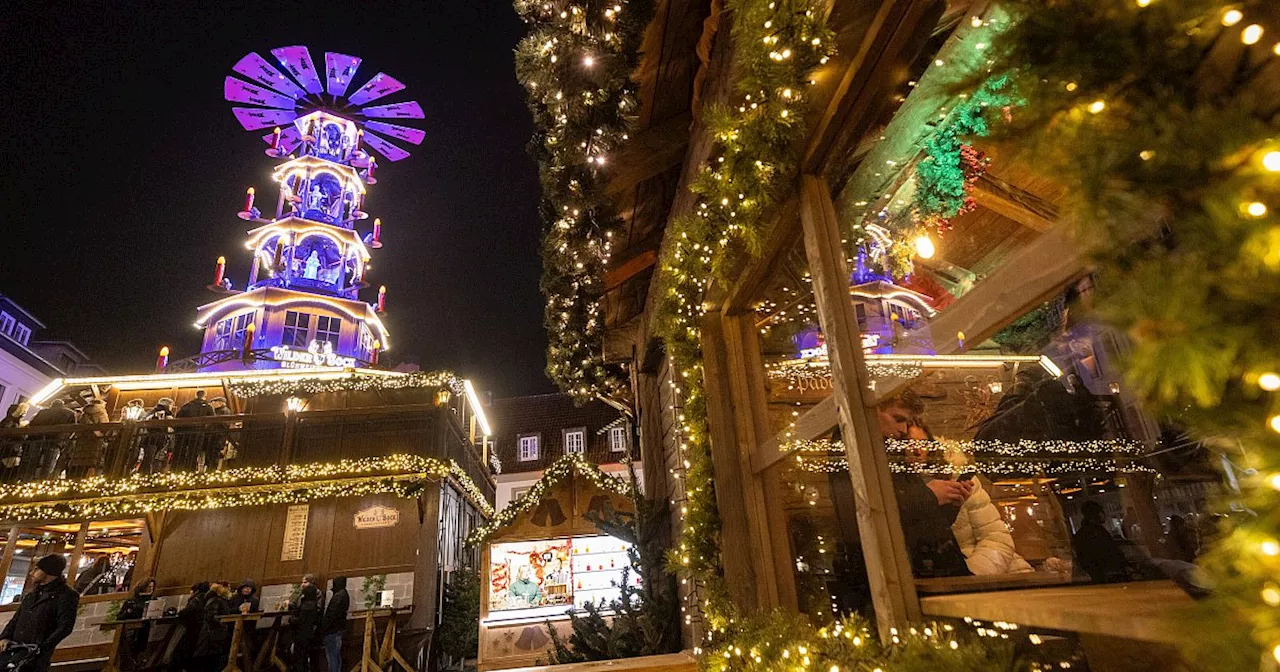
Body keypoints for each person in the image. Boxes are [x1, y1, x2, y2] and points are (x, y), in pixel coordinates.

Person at [877, 393, 971, 577]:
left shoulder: (943, 476)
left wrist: (953, 504)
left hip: (947, 571)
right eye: (909, 443)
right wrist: (929, 495)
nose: (917, 450)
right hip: (926, 573)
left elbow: (993, 535)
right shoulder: (888, 464)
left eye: (923, 443)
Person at [0, 554, 80, 672]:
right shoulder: (32, 594)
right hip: (13, 649)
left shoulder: (66, 595)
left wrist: (42, 647)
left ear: (49, 571)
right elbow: (16, 619)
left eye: (37, 569)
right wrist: (4, 637)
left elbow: (65, 626)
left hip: (34, 657)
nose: (32, 573)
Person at [1073, 501, 1129, 582]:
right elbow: (1107, 552)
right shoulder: (1096, 532)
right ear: (1096, 514)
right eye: (1102, 512)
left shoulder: (1085, 532)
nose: (1104, 515)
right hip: (1107, 575)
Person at [27, 400, 77, 479]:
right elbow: (72, 429)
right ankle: (43, 481)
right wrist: (65, 439)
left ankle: (27, 480)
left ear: (51, 404)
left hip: (38, 439)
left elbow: (33, 424)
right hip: (56, 441)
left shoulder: (43, 412)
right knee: (48, 464)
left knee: (32, 462)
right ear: (62, 405)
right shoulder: (69, 413)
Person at [171, 582, 209, 672]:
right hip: (201, 628)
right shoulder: (207, 599)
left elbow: (187, 611)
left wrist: (180, 613)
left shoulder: (195, 599)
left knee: (184, 648)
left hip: (191, 627)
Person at [194, 581, 232, 672]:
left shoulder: (218, 600)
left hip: (214, 634)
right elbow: (211, 617)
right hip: (212, 635)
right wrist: (223, 626)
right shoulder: (216, 600)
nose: (229, 590)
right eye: (228, 587)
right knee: (211, 659)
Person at [67, 399, 109, 478]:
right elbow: (105, 426)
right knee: (93, 466)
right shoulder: (101, 412)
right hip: (94, 442)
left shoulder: (84, 413)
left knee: (79, 468)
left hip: (81, 441)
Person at [117, 578, 156, 664]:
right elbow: (120, 616)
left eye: (152, 587)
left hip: (144, 629)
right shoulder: (132, 601)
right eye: (149, 587)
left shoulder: (152, 600)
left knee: (141, 647)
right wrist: (128, 612)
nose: (151, 589)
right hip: (131, 630)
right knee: (129, 649)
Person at [175, 392, 214, 470]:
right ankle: (190, 470)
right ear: (204, 397)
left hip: (184, 433)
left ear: (196, 396)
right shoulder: (207, 407)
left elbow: (178, 418)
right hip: (198, 433)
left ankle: (178, 470)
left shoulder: (186, 406)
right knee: (193, 453)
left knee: (180, 452)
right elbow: (211, 420)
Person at [290, 585, 322, 672]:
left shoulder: (306, 605)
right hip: (311, 634)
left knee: (300, 657)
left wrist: (291, 619)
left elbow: (300, 620)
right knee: (308, 658)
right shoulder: (314, 604)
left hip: (302, 634)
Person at [139, 398, 175, 473]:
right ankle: (148, 475)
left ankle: (143, 474)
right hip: (157, 438)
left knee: (147, 459)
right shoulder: (166, 413)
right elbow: (172, 424)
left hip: (148, 438)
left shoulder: (151, 412)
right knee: (152, 460)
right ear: (168, 405)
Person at [320, 577, 349, 672]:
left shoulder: (337, 596)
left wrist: (322, 629)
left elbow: (330, 615)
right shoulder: (344, 594)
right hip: (339, 629)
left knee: (332, 657)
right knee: (336, 656)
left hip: (332, 631)